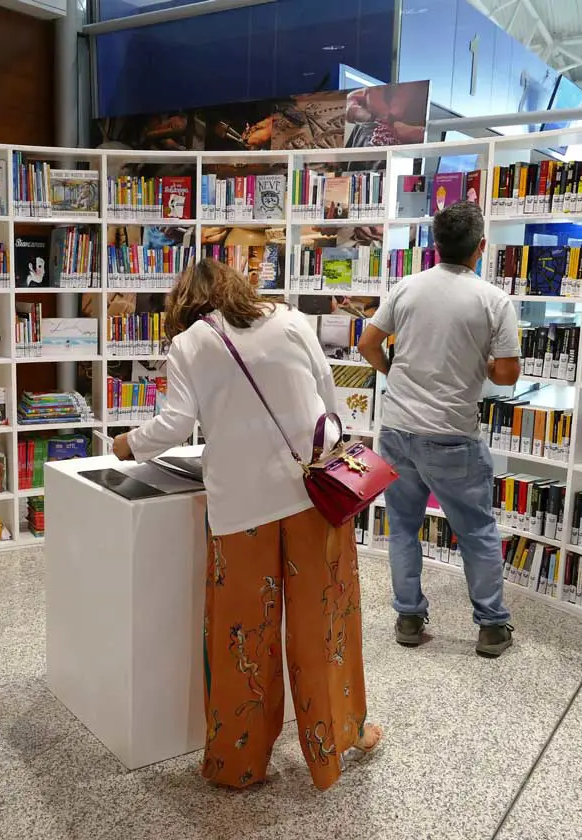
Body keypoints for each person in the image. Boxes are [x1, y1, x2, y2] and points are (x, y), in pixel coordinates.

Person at [111, 260, 382, 791]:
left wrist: (127, 444)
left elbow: (176, 423)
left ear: (183, 302)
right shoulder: (289, 319)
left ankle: (239, 761)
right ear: (239, 288)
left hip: (241, 511)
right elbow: (329, 399)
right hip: (314, 498)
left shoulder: (189, 344)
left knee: (242, 636)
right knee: (322, 623)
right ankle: (340, 738)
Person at [357, 201, 520, 658]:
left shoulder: (406, 288)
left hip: (397, 428)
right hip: (452, 434)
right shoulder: (493, 300)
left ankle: (408, 615)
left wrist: (394, 372)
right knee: (477, 531)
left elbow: (368, 343)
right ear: (481, 247)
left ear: (435, 246)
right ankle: (490, 626)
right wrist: (480, 365)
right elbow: (507, 375)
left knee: (403, 527)